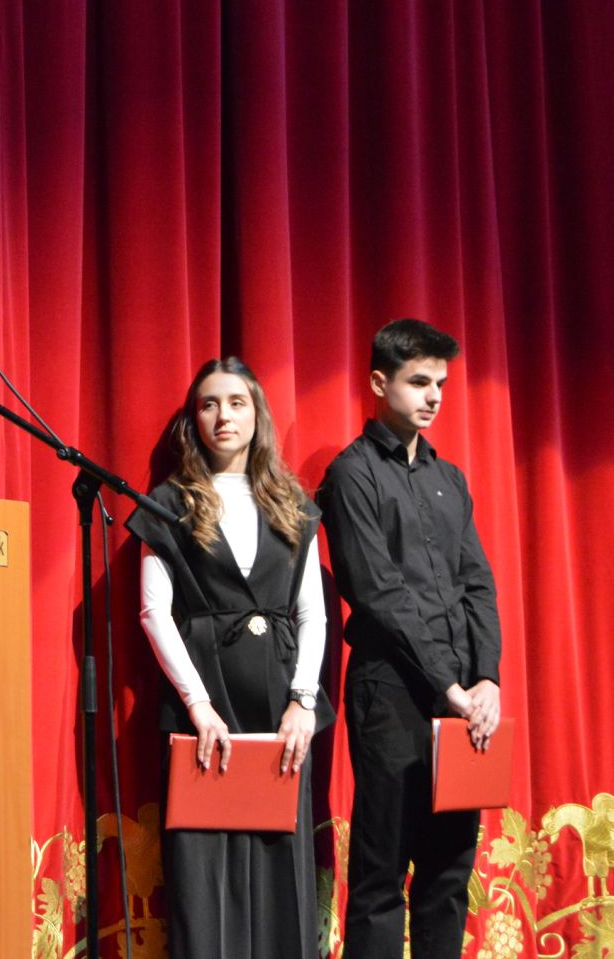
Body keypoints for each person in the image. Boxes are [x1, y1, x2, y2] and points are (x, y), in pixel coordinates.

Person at [125, 357, 331, 959]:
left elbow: (312, 613)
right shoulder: (169, 503)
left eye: (237, 402)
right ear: (194, 420)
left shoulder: (293, 504)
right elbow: (154, 612)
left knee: (280, 867)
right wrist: (198, 705)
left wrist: (303, 702)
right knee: (204, 871)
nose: (223, 416)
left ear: (256, 415)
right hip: (205, 708)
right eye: (209, 404)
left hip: (280, 704)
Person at [319, 319, 502, 959]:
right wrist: (448, 684)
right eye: (419, 382)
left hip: (461, 698)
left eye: (441, 384)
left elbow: (478, 582)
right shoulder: (352, 475)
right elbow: (378, 593)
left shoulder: (449, 477)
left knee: (450, 871)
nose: (434, 397)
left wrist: (487, 678)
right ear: (379, 382)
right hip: (390, 692)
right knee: (382, 870)